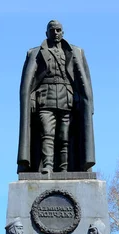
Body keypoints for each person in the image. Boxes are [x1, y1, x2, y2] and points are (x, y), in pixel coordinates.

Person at [17, 20, 95, 174]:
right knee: (47, 134)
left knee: (64, 137)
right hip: (45, 98)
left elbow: (83, 80)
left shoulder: (75, 52)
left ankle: (64, 168)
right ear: (47, 33)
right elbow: (29, 83)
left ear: (63, 32)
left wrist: (84, 100)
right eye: (52, 30)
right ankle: (47, 166)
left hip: (67, 99)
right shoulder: (35, 53)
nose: (56, 33)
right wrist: (31, 98)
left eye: (58, 30)